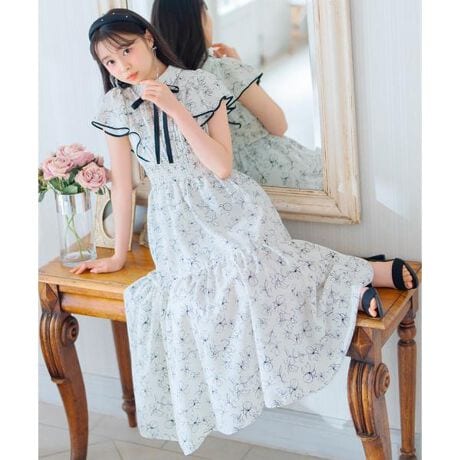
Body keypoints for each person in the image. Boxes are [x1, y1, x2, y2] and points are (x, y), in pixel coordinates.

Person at [72, 8, 418, 456]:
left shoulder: (201, 85)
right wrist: (119, 255)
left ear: (148, 38)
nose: (122, 65)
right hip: (174, 221)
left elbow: (221, 166)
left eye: (126, 50)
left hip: (227, 203)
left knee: (252, 261)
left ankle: (358, 281)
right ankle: (364, 273)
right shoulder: (116, 105)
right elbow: (122, 185)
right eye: (110, 61)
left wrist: (175, 109)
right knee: (215, 292)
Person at [151, 0, 323, 190]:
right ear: (199, 21)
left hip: (221, 186)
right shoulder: (225, 70)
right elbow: (279, 125)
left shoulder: (163, 86)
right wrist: (240, 68)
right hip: (269, 169)